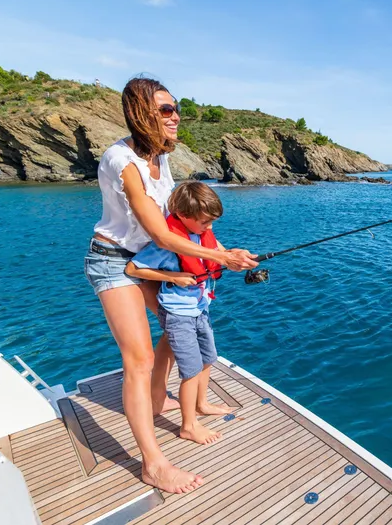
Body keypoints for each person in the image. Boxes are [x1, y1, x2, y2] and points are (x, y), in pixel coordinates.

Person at [84, 77, 258, 494]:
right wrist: (221, 259)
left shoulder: (162, 160)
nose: (175, 115)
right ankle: (153, 464)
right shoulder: (121, 160)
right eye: (165, 110)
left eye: (174, 107)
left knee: (177, 323)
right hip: (114, 262)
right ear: (141, 113)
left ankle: (166, 398)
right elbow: (160, 234)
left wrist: (217, 249)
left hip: (150, 262)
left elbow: (177, 223)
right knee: (138, 359)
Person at [125, 181, 232, 445]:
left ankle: (202, 403)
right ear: (184, 217)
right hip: (178, 315)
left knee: (208, 359)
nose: (209, 228)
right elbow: (133, 269)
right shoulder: (167, 244)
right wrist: (172, 276)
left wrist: (237, 257)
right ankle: (188, 426)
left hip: (200, 309)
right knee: (191, 370)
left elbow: (221, 254)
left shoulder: (201, 236)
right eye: (205, 222)